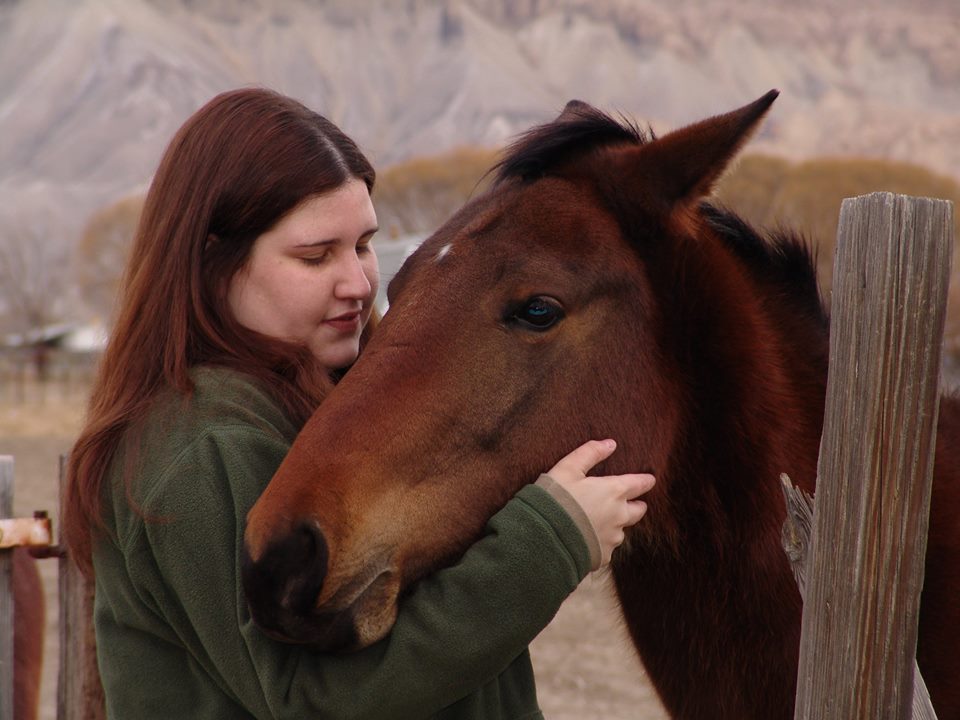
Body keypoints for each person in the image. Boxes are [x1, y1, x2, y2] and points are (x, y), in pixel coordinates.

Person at [62, 87, 655, 719]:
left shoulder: (338, 402)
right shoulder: (203, 446)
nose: (358, 283)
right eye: (315, 256)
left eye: (364, 245)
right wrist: (549, 542)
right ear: (213, 260)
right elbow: (311, 702)